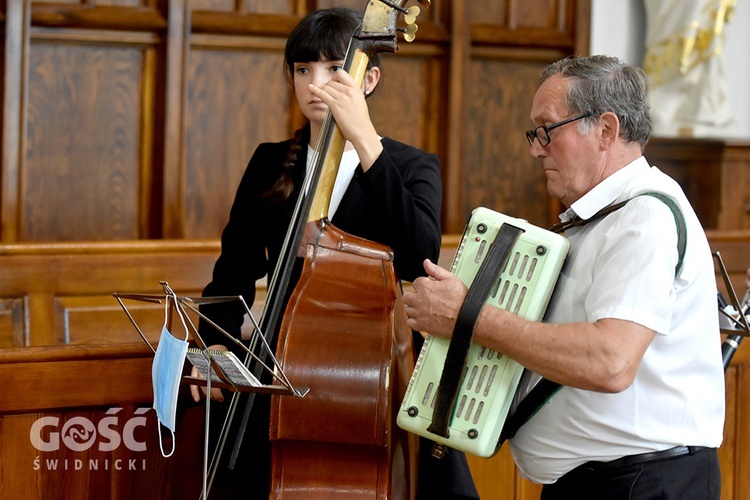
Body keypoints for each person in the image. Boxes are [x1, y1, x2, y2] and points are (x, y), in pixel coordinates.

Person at [403, 55, 725, 499]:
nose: (536, 148)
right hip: (602, 483)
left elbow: (609, 361)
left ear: (606, 130)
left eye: (547, 129)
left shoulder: (644, 217)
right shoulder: (600, 218)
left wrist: (468, 316)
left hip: (641, 484)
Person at [190, 7, 478, 500]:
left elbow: (419, 256)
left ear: (368, 80)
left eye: (331, 69)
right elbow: (231, 273)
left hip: (369, 370)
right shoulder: (269, 161)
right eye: (302, 69)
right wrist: (215, 344)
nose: (314, 83)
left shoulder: (411, 166)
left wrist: (364, 140)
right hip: (280, 364)